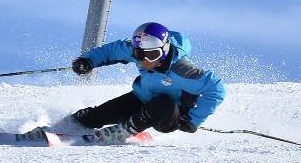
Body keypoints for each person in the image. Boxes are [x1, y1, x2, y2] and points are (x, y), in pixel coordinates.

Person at [70, 22, 226, 143]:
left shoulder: (182, 69)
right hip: (143, 98)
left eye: (152, 55)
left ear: (164, 50)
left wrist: (194, 119)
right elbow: (113, 50)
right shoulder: (139, 51)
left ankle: (124, 131)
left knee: (163, 103)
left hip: (170, 115)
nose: (145, 61)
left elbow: (216, 88)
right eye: (139, 55)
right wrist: (88, 60)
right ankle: (71, 124)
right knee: (96, 116)